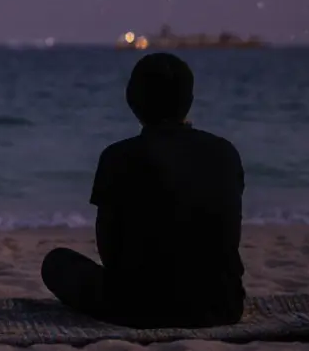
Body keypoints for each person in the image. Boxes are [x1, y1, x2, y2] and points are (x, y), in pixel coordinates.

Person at [41, 52, 245, 328]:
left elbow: (109, 250)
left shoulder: (118, 157)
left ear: (131, 100)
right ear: (190, 102)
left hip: (141, 309)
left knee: (56, 263)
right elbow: (228, 234)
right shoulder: (225, 153)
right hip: (222, 305)